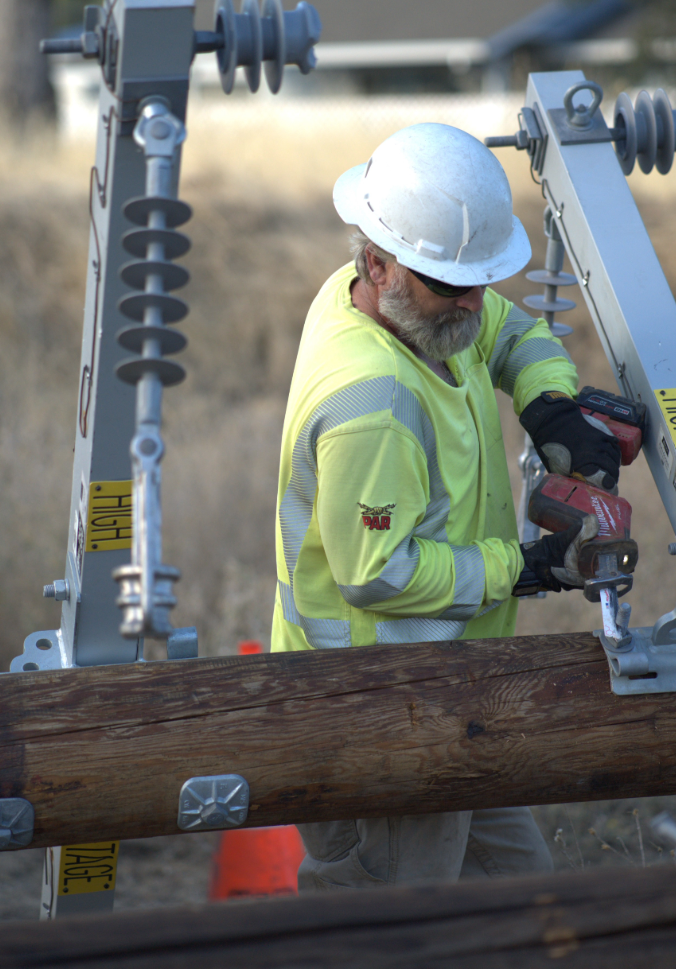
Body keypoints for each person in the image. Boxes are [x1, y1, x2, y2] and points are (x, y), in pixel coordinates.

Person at [271, 122, 623, 891]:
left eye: (478, 281)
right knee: (397, 928)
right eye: (449, 286)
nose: (470, 304)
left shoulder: (401, 300)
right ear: (377, 261)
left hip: (442, 688)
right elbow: (376, 573)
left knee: (521, 896)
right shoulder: (376, 406)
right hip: (375, 707)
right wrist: (522, 568)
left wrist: (552, 409)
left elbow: (505, 330)